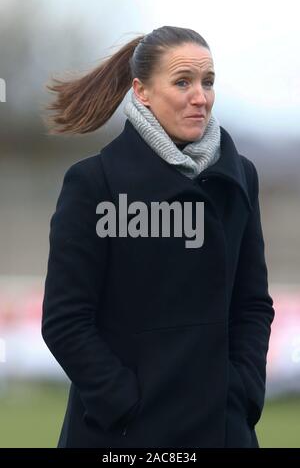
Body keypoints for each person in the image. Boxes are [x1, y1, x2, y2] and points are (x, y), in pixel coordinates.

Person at [41, 25, 275, 448]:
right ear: (141, 91)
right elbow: (65, 320)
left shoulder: (241, 177)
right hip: (124, 436)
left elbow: (253, 303)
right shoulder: (95, 183)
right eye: (183, 82)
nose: (200, 97)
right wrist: (124, 403)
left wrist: (241, 392)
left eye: (208, 82)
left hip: (221, 431)